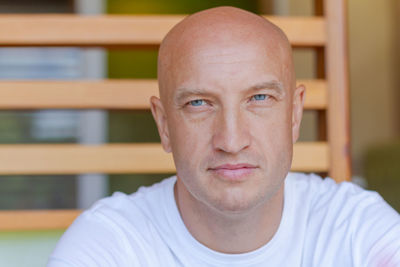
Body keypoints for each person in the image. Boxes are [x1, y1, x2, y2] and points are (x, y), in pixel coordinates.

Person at [48, 6, 400, 267]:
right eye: (199, 103)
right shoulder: (109, 246)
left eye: (259, 98)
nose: (231, 141)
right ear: (164, 124)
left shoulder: (357, 232)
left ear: (294, 114)